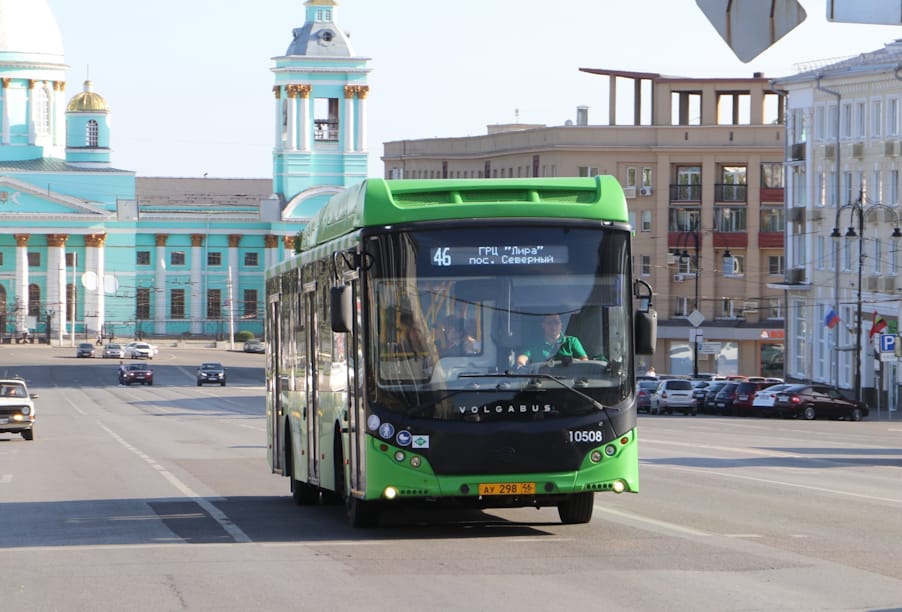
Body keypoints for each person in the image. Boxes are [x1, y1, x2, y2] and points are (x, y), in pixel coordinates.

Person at [516, 313, 588, 367]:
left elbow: (585, 361)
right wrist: (521, 363)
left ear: (561, 325)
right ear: (543, 325)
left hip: (568, 383)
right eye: (549, 322)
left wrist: (573, 361)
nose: (553, 326)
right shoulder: (533, 343)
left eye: (556, 322)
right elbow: (523, 357)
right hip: (539, 382)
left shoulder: (572, 341)